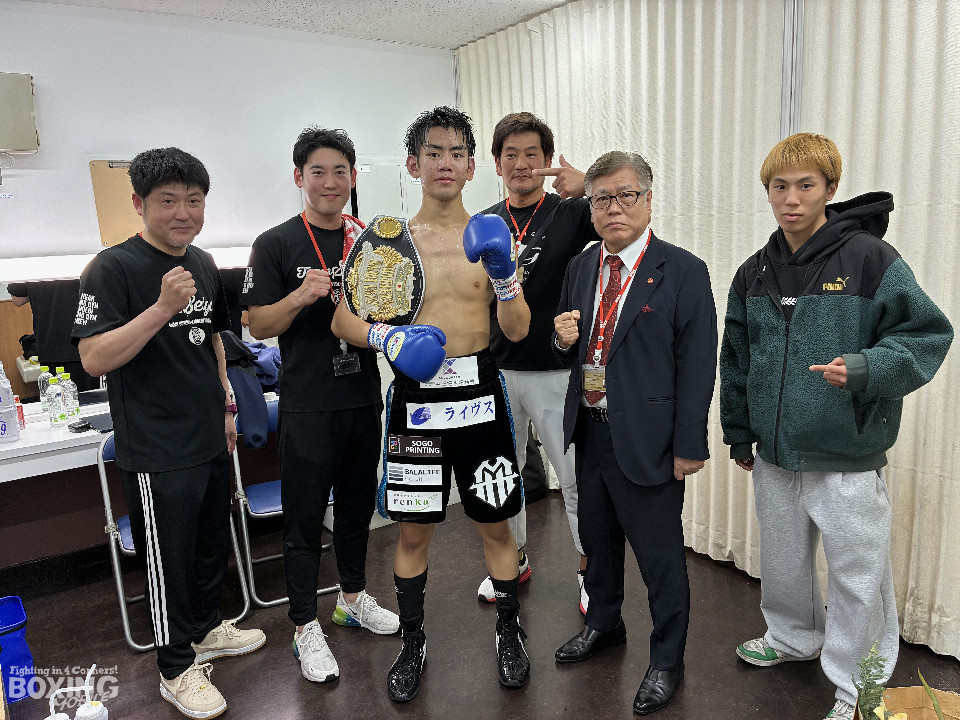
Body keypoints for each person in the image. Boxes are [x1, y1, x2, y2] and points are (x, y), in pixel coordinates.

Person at [719, 132, 953, 720]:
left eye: (806, 185)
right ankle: (792, 637)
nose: (791, 198)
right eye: (780, 186)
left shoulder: (871, 259)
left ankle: (859, 686)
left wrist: (869, 367)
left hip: (847, 455)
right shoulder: (754, 272)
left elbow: (927, 334)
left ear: (830, 189)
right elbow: (737, 358)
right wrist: (740, 430)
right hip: (774, 456)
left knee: (857, 576)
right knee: (783, 564)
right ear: (767, 192)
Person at [332, 106, 532, 702]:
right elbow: (343, 320)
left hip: (479, 397)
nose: (445, 163)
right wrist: (387, 338)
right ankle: (413, 641)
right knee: (413, 532)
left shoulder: (495, 235)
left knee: (495, 525)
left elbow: (517, 329)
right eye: (433, 153)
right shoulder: (387, 242)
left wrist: (505, 276)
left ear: (471, 167)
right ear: (413, 165)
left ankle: (509, 633)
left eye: (456, 153)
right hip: (416, 403)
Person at [73, 147, 265, 719]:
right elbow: (94, 358)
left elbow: (214, 340)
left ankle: (204, 631)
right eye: (168, 201)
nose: (183, 212)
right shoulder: (111, 269)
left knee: (209, 547)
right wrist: (160, 308)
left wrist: (227, 404)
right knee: (168, 562)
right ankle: (175, 667)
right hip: (156, 447)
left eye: (194, 200)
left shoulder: (203, 262)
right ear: (139, 203)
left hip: (208, 434)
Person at [552, 151, 717, 716]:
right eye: (601, 198)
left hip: (651, 440)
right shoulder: (581, 267)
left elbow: (698, 365)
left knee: (659, 557)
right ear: (591, 208)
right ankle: (603, 624)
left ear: (648, 200)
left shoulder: (683, 270)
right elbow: (572, 344)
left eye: (626, 195)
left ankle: (667, 659)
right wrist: (560, 340)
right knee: (596, 544)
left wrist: (689, 445)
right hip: (590, 430)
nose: (613, 208)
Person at [242, 127, 399, 686]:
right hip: (307, 404)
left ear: (353, 177)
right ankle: (304, 625)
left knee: (356, 511)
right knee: (304, 520)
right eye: (318, 172)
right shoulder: (276, 243)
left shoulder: (369, 241)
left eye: (340, 172)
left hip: (361, 395)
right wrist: (300, 296)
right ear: (299, 177)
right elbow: (257, 324)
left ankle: (351, 599)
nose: (330, 182)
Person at [478, 112, 599, 613]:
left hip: (557, 369)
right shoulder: (485, 221)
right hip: (497, 369)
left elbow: (628, 217)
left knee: (573, 478)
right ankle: (515, 560)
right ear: (497, 164)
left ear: (548, 161)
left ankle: (590, 571)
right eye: (511, 154)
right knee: (502, 475)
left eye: (532, 154)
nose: (522, 163)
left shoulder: (572, 213)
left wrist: (587, 184)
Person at [8, 280, 100, 392]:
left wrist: (39, 290)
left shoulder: (29, 268)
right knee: (88, 399)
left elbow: (18, 299)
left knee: (56, 399)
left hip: (49, 343)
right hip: (82, 342)